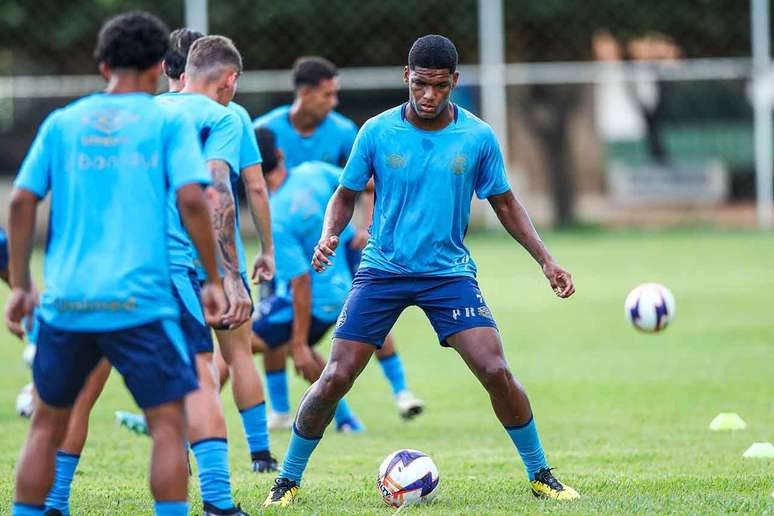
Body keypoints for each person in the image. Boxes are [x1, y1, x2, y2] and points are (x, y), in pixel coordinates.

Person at [263, 35, 581, 507]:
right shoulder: (375, 131)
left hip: (447, 275)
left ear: (453, 82)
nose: (428, 95)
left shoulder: (476, 137)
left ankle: (540, 474)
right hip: (382, 270)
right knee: (335, 377)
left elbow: (507, 203)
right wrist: (331, 233)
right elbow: (346, 193)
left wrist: (546, 259)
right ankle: (286, 481)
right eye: (420, 84)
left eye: (439, 86)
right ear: (405, 77)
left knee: (495, 369)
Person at [4, 11, 226, 516]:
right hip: (140, 304)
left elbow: (20, 202)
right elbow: (194, 200)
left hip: (66, 302)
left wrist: (20, 285)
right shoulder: (167, 122)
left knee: (46, 423)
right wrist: (212, 279)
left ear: (103, 66)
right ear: (157, 67)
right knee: (168, 423)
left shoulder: (62, 122)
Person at [44, 30, 255, 516]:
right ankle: (219, 503)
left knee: (80, 390)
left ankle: (52, 503)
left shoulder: (130, 116)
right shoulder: (219, 118)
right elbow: (214, 194)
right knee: (198, 378)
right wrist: (226, 275)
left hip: (99, 270)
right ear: (229, 79)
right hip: (167, 268)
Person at [116, 28, 278, 475]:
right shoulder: (230, 116)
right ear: (226, 77)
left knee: (180, 361)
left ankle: (52, 496)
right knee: (230, 356)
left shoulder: (146, 113)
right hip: (203, 258)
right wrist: (265, 251)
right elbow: (251, 188)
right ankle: (257, 457)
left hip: (143, 259)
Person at [254, 57, 423, 427]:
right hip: (285, 243)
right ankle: (283, 410)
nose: (333, 102)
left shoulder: (344, 131)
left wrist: (367, 228)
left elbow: (368, 183)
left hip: (338, 243)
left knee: (365, 314)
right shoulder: (263, 131)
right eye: (328, 94)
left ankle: (399, 391)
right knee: (277, 335)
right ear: (305, 93)